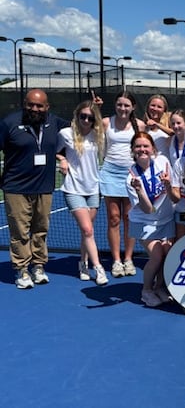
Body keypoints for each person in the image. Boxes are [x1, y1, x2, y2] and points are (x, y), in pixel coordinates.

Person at [0, 89, 69, 288]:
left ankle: (38, 266)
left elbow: (81, 126)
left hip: (44, 187)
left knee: (40, 230)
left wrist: (94, 109)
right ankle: (21, 270)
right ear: (24, 104)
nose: (35, 109)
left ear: (47, 107)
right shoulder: (9, 123)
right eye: (31, 104)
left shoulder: (54, 122)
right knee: (20, 232)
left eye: (39, 105)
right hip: (16, 188)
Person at [57, 98, 109, 285]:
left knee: (88, 232)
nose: (86, 120)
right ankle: (99, 269)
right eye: (83, 116)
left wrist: (98, 108)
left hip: (93, 188)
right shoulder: (66, 133)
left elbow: (107, 122)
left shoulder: (98, 135)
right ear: (77, 116)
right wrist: (62, 159)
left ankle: (82, 263)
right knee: (87, 230)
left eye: (90, 117)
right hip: (73, 188)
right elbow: (55, 150)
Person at [126, 132, 177, 307]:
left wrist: (169, 185)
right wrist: (140, 190)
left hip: (166, 218)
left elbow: (173, 193)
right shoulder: (131, 178)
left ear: (153, 148)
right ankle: (146, 290)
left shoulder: (163, 162)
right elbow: (148, 209)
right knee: (156, 255)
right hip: (144, 222)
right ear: (133, 150)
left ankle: (159, 287)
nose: (142, 149)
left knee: (168, 254)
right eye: (138, 146)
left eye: (145, 146)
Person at [100, 91, 145, 278]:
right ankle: (116, 260)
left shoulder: (140, 125)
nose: (123, 108)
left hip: (131, 174)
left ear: (133, 107)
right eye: (119, 104)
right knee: (113, 218)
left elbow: (146, 145)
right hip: (110, 172)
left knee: (129, 218)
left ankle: (128, 259)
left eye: (126, 105)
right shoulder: (105, 122)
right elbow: (85, 129)